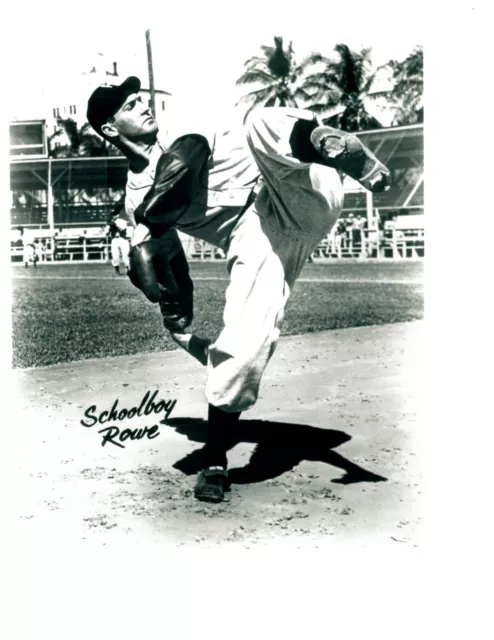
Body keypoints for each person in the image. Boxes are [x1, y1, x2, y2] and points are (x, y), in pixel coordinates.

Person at [87, 76, 390, 503]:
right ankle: (216, 458)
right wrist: (174, 315)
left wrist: (143, 229)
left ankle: (330, 143)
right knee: (243, 343)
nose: (143, 105)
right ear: (110, 129)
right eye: (129, 105)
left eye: (140, 98)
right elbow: (171, 264)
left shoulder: (181, 133)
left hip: (297, 183)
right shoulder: (136, 200)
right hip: (258, 238)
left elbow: (183, 167)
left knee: (260, 123)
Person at [104, 205, 131, 274]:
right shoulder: (110, 222)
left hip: (123, 239)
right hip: (114, 239)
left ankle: (129, 269)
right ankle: (117, 269)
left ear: (118, 214)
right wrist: (109, 227)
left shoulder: (122, 221)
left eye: (115, 214)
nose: (114, 216)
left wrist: (114, 224)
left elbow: (122, 228)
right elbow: (105, 233)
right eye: (113, 215)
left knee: (125, 255)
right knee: (115, 256)